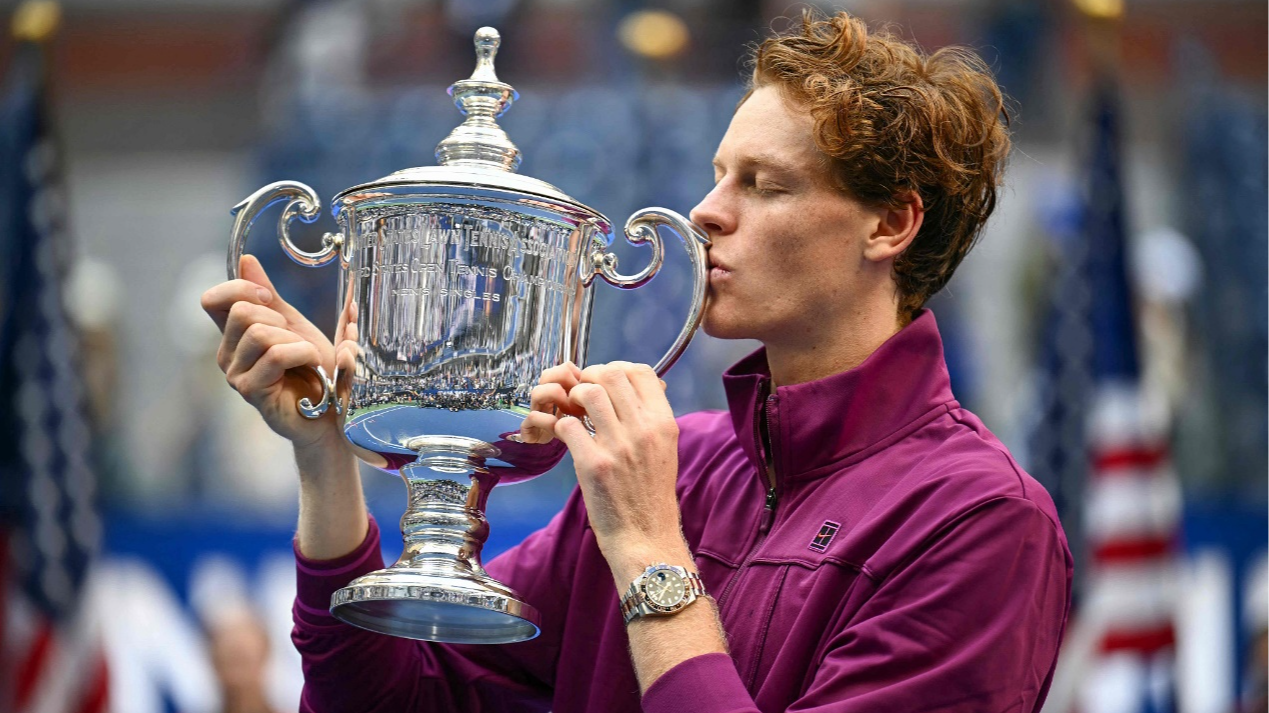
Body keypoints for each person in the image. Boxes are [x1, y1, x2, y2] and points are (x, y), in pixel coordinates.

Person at [201, 10, 1072, 712]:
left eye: (762, 185)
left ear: (889, 224)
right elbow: (394, 695)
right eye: (716, 175)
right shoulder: (675, 465)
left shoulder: (982, 521)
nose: (703, 212)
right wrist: (323, 458)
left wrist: (653, 550)